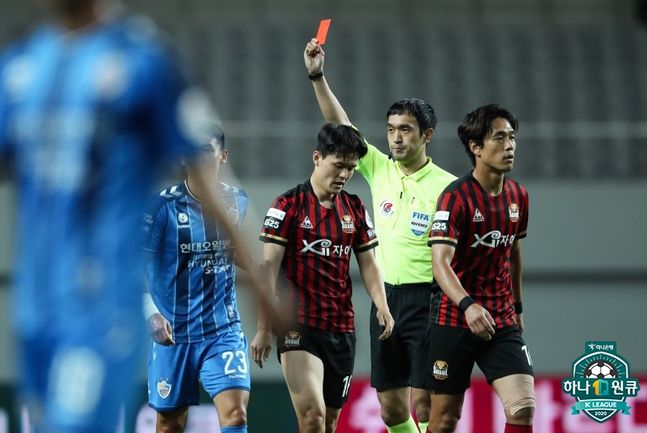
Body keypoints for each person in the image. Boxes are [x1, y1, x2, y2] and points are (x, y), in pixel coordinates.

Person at [0, 1, 267, 432]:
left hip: (101, 308)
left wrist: (261, 282)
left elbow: (196, 157)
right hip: (36, 308)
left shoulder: (145, 62)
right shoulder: (19, 69)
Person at [304, 38, 456, 433]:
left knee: (425, 403)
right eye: (391, 130)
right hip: (387, 300)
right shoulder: (379, 169)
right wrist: (318, 77)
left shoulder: (448, 187)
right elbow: (342, 126)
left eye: (406, 130)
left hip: (431, 301)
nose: (396, 138)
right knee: (391, 410)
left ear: (427, 135)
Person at [257, 123, 394, 433]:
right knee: (313, 417)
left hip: (341, 329)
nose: (344, 174)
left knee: (329, 424)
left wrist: (382, 305)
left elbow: (369, 264)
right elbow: (268, 268)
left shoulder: (355, 208)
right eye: (338, 165)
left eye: (351, 168)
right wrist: (264, 328)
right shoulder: (287, 205)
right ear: (317, 157)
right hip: (297, 326)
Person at [143, 127, 265, 433]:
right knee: (170, 424)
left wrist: (259, 269)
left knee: (236, 413)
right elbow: (135, 266)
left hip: (222, 329)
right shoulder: (161, 208)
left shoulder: (236, 201)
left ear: (223, 156)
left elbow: (233, 251)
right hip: (173, 332)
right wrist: (150, 312)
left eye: (208, 150)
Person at [426, 104, 535, 433]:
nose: (509, 145)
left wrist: (517, 307)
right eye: (499, 138)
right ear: (475, 147)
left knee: (523, 407)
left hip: (500, 318)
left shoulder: (518, 196)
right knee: (444, 420)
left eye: (512, 137)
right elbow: (439, 263)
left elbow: (513, 253)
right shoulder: (454, 198)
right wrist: (468, 305)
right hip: (454, 317)